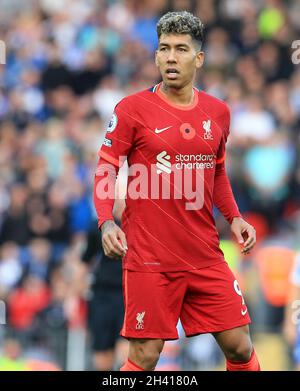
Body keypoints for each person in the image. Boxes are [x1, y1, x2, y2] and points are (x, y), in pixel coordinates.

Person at [94, 11, 260, 371]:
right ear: (155, 55)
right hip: (150, 258)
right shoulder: (132, 110)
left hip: (204, 254)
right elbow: (106, 167)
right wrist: (106, 222)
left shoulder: (218, 113)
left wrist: (234, 217)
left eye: (181, 49)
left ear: (198, 58)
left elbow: (216, 173)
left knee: (241, 348)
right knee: (144, 356)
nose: (170, 57)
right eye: (164, 48)